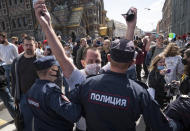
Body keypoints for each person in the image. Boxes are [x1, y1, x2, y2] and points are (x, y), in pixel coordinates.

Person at [34, 2, 171, 131]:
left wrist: (46, 26)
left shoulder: (88, 84)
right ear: (132, 64)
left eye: (97, 61)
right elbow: (63, 58)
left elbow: (122, 55)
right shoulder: (138, 92)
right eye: (90, 61)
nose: (95, 65)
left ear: (108, 59)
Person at [26, 56, 81, 131]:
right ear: (51, 71)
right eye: (57, 68)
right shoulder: (51, 91)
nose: (59, 70)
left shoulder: (32, 89)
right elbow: (73, 115)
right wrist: (78, 94)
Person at [11, 36, 38, 131]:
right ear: (22, 46)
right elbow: (14, 80)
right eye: (26, 45)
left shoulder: (41, 59)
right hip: (24, 96)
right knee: (27, 122)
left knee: (42, 121)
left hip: (40, 96)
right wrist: (15, 97)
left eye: (31, 45)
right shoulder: (17, 61)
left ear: (35, 45)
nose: (28, 47)